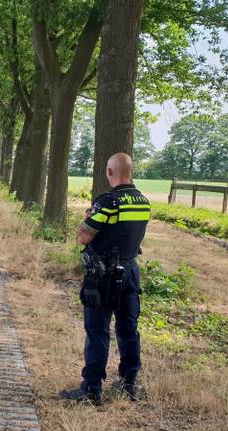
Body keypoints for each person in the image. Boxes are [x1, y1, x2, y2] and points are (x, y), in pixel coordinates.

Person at [60, 152, 151, 405]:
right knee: (128, 329)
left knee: (98, 331)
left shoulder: (108, 202)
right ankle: (129, 382)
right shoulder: (143, 202)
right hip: (131, 271)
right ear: (130, 172)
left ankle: (91, 389)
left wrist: (88, 216)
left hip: (103, 275)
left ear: (110, 172)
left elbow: (83, 236)